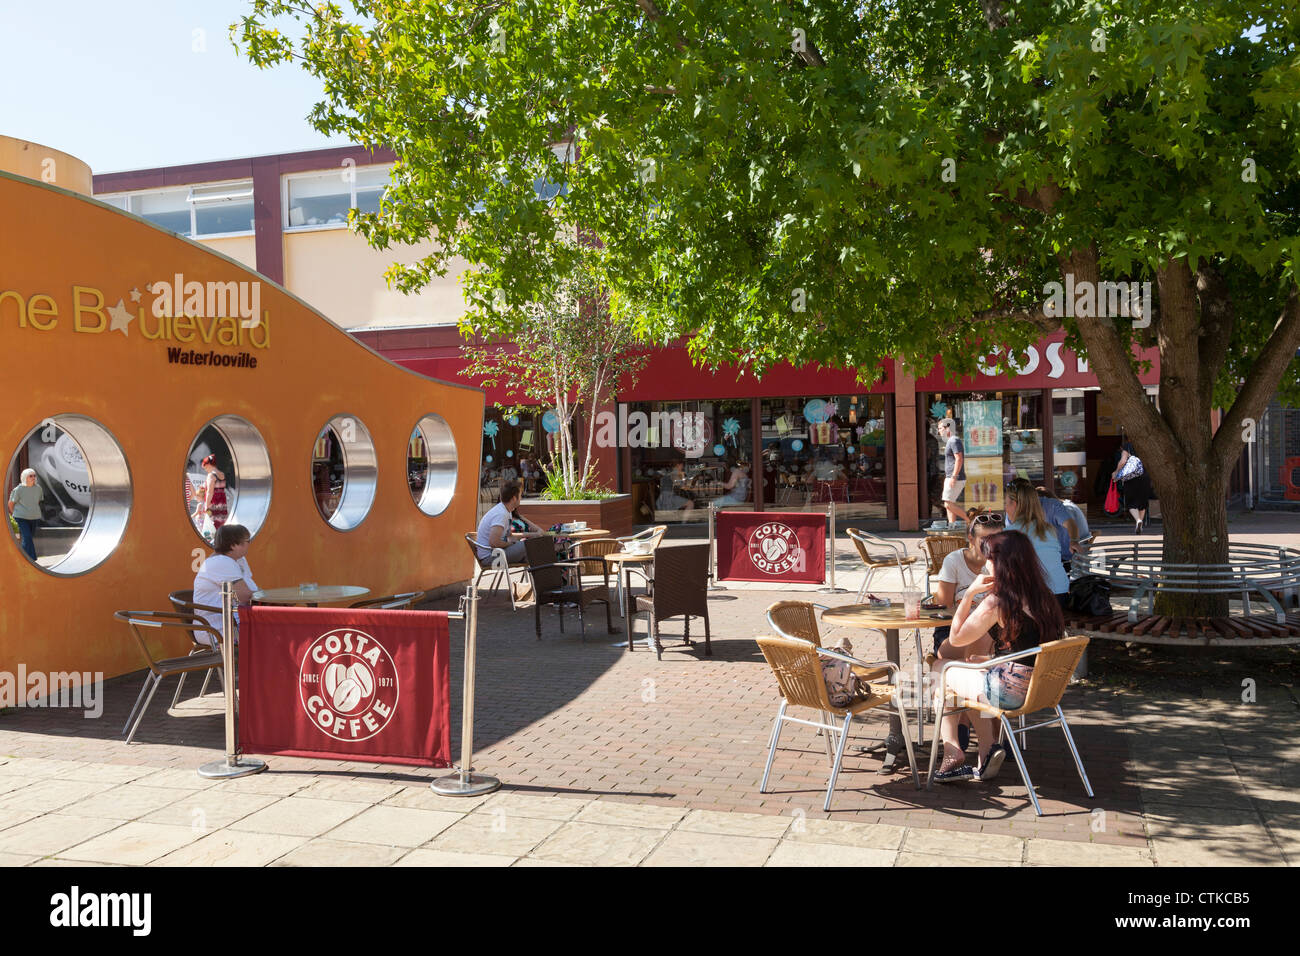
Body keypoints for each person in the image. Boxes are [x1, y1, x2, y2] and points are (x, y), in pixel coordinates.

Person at [931, 529, 1066, 782]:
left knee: (941, 668)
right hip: (1040, 686)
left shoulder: (998, 601)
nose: (985, 564)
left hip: (1011, 691)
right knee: (967, 668)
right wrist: (989, 661)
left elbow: (957, 638)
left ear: (1001, 563)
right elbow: (1031, 648)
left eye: (989, 559)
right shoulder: (1044, 596)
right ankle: (987, 750)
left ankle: (952, 749)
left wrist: (969, 593)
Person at [1003, 480, 1071, 601]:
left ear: (1013, 504)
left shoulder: (1009, 533)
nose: (1005, 508)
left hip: (1036, 598)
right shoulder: (1049, 529)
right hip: (1062, 594)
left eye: (1006, 503)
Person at [192, 523, 258, 645]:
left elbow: (252, 591)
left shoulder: (238, 560)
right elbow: (245, 596)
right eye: (247, 541)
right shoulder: (221, 562)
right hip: (218, 630)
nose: (250, 544)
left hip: (234, 622)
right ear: (233, 545)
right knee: (278, 630)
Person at [476, 480, 543, 563]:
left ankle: (544, 573)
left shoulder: (506, 511)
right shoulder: (501, 514)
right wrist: (511, 544)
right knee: (529, 546)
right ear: (514, 498)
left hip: (496, 553)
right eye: (520, 495)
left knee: (532, 550)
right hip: (490, 558)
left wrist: (534, 535)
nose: (521, 498)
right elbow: (494, 543)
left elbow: (510, 536)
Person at [1038, 486, 1092, 562]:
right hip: (1083, 545)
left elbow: (1066, 533)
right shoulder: (1067, 504)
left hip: (1073, 553)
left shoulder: (1062, 509)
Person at [1112, 438, 1152, 534]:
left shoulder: (1128, 445)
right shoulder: (1148, 444)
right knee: (1143, 502)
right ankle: (1140, 524)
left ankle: (1138, 520)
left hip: (1131, 477)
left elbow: (1122, 461)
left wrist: (1116, 472)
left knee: (1131, 502)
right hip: (1144, 475)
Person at [8, 468, 43, 561]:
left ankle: (22, 558)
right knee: (27, 538)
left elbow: (37, 501)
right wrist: (15, 514)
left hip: (34, 517)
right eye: (30, 476)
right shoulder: (19, 489)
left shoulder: (38, 489)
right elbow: (10, 503)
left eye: (34, 475)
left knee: (28, 539)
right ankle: (31, 559)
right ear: (24, 477)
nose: (33, 477)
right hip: (20, 518)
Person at [936, 418, 965, 528]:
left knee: (947, 503)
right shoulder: (951, 440)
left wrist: (954, 476)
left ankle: (969, 520)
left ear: (947, 428)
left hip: (954, 477)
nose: (939, 431)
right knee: (949, 504)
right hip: (950, 476)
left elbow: (959, 459)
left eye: (940, 428)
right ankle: (952, 526)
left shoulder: (954, 440)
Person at [194, 454, 229, 532]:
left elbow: (210, 492)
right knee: (220, 523)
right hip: (222, 502)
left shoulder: (211, 475)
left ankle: (212, 541)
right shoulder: (222, 474)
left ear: (209, 465)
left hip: (213, 503)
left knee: (211, 524)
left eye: (205, 467)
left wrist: (206, 505)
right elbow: (220, 487)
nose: (206, 470)